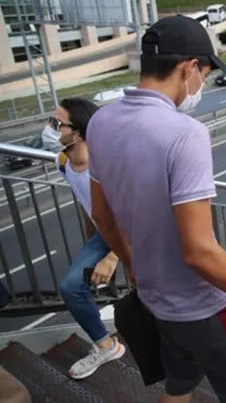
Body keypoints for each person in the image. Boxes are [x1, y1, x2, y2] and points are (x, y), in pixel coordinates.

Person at [87, 15, 226, 402]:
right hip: (202, 307)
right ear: (189, 67)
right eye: (205, 75)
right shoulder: (185, 133)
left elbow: (103, 216)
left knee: (179, 384)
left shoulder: (101, 121)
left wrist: (133, 263)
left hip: (156, 301)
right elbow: (198, 250)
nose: (201, 85)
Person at [40, 98, 127, 380]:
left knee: (156, 290)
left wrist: (112, 257)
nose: (50, 129)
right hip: (107, 232)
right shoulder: (63, 162)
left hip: (138, 230)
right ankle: (106, 346)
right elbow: (86, 203)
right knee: (71, 287)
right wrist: (93, 245)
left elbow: (135, 212)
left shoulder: (107, 166)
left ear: (78, 132)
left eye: (57, 124)